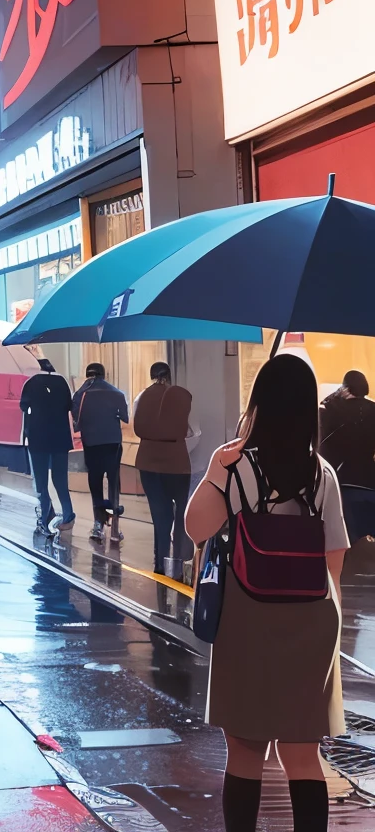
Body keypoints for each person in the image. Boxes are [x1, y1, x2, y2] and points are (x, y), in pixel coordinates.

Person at [184, 354, 348, 832]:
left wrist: (216, 470)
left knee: (246, 751)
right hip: (313, 620)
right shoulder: (323, 475)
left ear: (259, 405)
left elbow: (196, 529)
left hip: (246, 619)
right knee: (303, 755)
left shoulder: (236, 468)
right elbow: (333, 559)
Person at [133, 362, 194, 575]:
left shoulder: (141, 397)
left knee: (161, 514)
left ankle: (160, 562)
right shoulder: (180, 396)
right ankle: (179, 562)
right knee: (182, 513)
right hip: (177, 465)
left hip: (148, 463)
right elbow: (192, 431)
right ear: (169, 375)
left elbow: (137, 426)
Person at [71, 362, 128, 542]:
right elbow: (125, 417)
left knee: (95, 482)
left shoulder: (81, 394)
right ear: (104, 375)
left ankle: (98, 525)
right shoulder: (116, 392)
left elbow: (75, 417)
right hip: (113, 443)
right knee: (113, 481)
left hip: (92, 443)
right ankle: (115, 527)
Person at [21, 359, 77, 536]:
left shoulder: (31, 383)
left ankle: (45, 518)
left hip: (38, 438)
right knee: (60, 479)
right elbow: (69, 406)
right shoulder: (62, 382)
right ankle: (68, 515)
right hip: (60, 438)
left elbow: (23, 406)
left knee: (41, 482)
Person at [320, 371, 375, 541]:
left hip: (341, 484)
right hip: (370, 484)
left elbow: (319, 444)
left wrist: (333, 397)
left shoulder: (331, 409)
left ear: (344, 388)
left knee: (345, 542)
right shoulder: (373, 409)